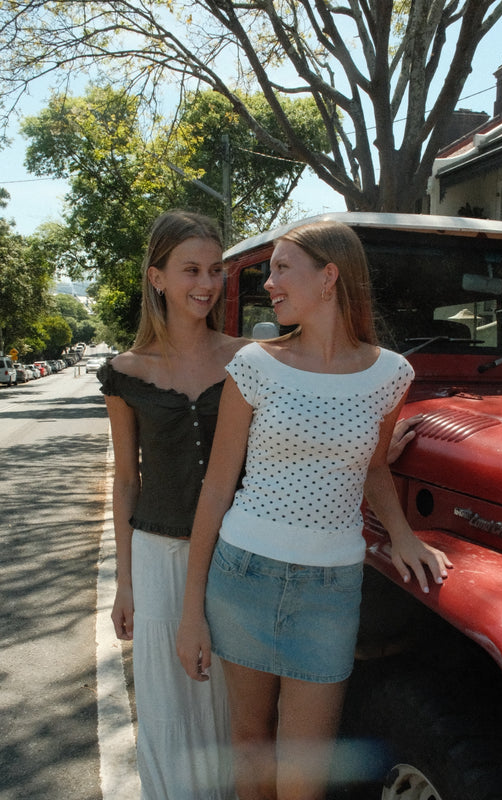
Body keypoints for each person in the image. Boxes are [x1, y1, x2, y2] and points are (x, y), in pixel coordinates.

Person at [176, 220, 452, 800]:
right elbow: (217, 485)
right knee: (251, 746)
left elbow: (374, 466)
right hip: (243, 575)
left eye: (281, 268)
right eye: (270, 270)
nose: (268, 283)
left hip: (330, 590)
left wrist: (402, 535)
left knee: (304, 772)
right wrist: (191, 612)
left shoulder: (390, 373)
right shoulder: (254, 364)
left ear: (330, 277)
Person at [99, 209, 247, 800]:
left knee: (233, 706)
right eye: (190, 270)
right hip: (158, 558)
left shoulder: (249, 359)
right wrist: (124, 583)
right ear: (157, 277)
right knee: (167, 708)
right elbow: (126, 481)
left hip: (238, 554)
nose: (206, 284)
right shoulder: (124, 373)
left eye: (215, 270)